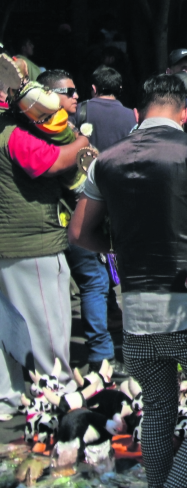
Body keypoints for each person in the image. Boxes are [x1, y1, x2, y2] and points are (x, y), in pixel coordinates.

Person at [69, 75, 187, 488]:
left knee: (160, 409)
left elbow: (78, 234)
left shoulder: (104, 160)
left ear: (138, 112)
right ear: (184, 112)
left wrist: (118, 247)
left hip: (136, 317)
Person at [0, 73, 92, 419]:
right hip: (31, 245)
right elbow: (50, 162)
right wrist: (80, 142)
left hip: (10, 245)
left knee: (7, 334)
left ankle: (9, 400)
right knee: (47, 330)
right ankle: (59, 399)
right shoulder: (11, 132)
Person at [40, 69, 120, 375]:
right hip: (70, 220)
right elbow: (73, 180)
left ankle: (100, 354)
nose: (76, 96)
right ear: (49, 96)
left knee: (95, 282)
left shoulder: (65, 130)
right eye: (68, 92)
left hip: (82, 218)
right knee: (94, 282)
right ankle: (101, 357)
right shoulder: (51, 133)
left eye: (76, 91)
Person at [75, 65, 137, 152]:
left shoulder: (78, 109)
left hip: (87, 165)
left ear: (94, 88)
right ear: (120, 89)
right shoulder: (132, 116)